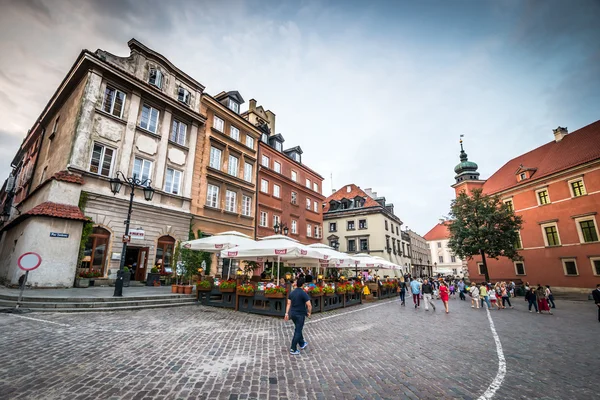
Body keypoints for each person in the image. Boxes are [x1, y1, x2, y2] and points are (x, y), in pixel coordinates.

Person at [285, 278, 312, 355]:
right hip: (300, 314)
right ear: (303, 285)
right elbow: (309, 305)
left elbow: (288, 304)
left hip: (293, 314)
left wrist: (286, 313)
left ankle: (302, 343)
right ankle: (293, 348)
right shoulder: (303, 293)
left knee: (298, 327)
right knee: (298, 330)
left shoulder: (292, 293)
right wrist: (309, 313)